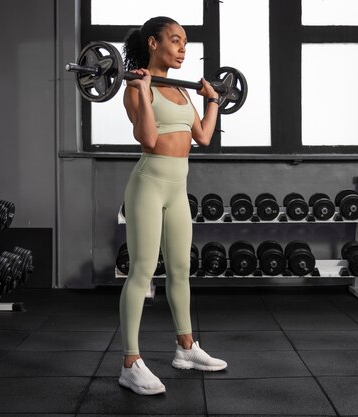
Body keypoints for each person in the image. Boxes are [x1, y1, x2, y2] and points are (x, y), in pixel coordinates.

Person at [118, 16, 227, 396]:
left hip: (178, 188)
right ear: (153, 43)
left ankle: (186, 348)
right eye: (175, 40)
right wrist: (144, 90)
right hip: (148, 185)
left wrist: (212, 100)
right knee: (142, 272)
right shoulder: (137, 88)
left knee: (181, 269)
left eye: (185, 42)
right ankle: (130, 363)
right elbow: (148, 139)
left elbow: (203, 136)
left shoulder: (181, 92)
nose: (183, 48)